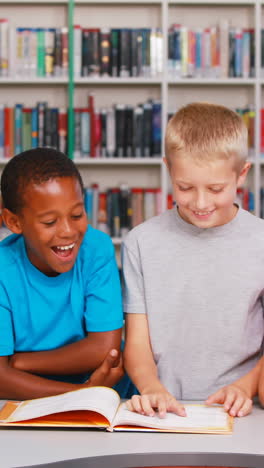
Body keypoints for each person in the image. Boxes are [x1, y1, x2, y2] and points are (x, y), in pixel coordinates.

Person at [122, 102, 264, 419]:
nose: (200, 203)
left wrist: (246, 386)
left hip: (243, 412)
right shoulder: (141, 243)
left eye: (216, 189)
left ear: (242, 174)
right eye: (185, 187)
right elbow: (137, 343)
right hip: (163, 411)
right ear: (169, 169)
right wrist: (150, 387)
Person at [0, 147, 125, 400]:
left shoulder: (97, 248)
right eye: (49, 222)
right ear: (14, 222)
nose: (68, 231)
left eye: (77, 215)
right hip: (39, 398)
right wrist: (81, 394)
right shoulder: (4, 269)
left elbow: (105, 348)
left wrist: (22, 362)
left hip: (109, 394)